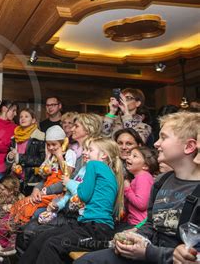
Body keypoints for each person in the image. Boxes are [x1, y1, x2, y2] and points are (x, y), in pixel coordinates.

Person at [76, 111, 200, 264]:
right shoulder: (161, 181)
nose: (156, 143)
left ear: (189, 146)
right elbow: (151, 224)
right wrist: (135, 235)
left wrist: (149, 252)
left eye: (164, 137)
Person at [21, 137, 124, 264]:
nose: (85, 153)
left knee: (53, 244)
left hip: (97, 231)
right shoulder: (109, 172)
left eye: (90, 150)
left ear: (103, 155)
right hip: (86, 225)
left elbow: (83, 195)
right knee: (43, 237)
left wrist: (70, 183)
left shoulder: (94, 165)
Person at [6, 108, 46, 194]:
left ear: (33, 120)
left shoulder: (40, 137)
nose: (23, 118)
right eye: (21, 117)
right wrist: (10, 158)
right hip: (15, 180)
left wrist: (19, 157)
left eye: (26, 116)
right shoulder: (14, 138)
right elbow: (10, 160)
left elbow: (42, 160)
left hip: (32, 180)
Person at [123, 147, 158, 227]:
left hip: (138, 224)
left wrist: (127, 189)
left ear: (145, 166)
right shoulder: (139, 177)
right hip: (134, 222)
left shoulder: (143, 177)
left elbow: (141, 204)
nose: (128, 157)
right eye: (130, 155)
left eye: (134, 156)